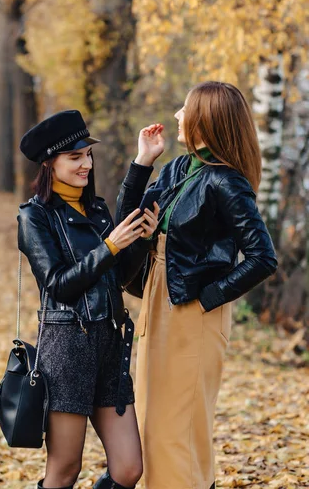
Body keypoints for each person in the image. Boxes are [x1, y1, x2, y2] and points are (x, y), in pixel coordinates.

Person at [116, 81, 278, 489]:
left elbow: (263, 258)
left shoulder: (227, 182)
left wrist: (209, 298)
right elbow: (124, 226)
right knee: (152, 427)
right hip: (158, 301)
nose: (176, 115)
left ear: (206, 120)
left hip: (194, 313)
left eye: (185, 109)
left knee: (179, 430)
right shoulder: (176, 169)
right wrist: (142, 163)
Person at [18, 110, 159, 489]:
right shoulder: (35, 217)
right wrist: (110, 246)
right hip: (67, 349)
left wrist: (141, 238)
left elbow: (118, 277)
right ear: (50, 164)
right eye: (75, 157)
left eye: (88, 155)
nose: (86, 164)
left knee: (129, 469)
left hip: (110, 345)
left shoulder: (95, 210)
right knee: (65, 469)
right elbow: (58, 284)